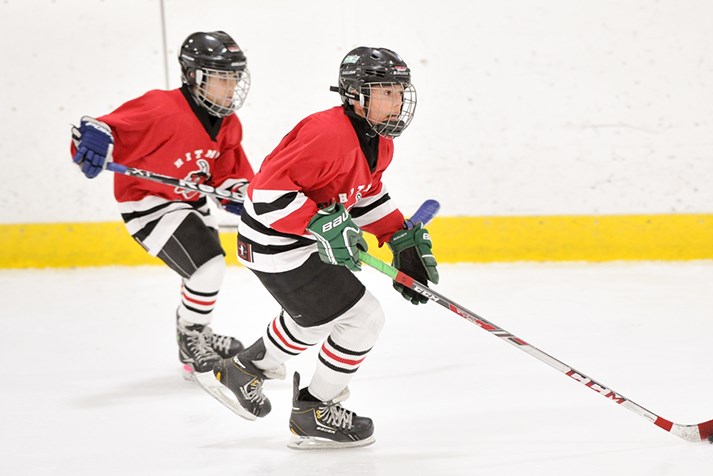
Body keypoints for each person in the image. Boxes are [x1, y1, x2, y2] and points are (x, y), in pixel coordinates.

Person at [197, 46, 439, 449]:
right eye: (385, 92)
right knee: (363, 319)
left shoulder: (380, 140)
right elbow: (264, 194)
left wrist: (398, 237)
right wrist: (317, 222)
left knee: (315, 319)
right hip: (276, 244)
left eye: (400, 91)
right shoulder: (327, 133)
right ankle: (314, 410)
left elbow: (363, 195)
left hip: (298, 241)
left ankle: (245, 369)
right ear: (355, 95)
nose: (396, 102)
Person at [70, 31, 255, 378]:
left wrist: (241, 197)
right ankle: (192, 338)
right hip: (148, 204)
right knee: (208, 267)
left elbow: (229, 174)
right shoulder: (161, 107)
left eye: (234, 78)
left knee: (202, 272)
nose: (230, 88)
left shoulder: (229, 123)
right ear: (193, 76)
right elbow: (99, 129)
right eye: (220, 78)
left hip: (190, 203)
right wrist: (94, 140)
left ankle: (196, 332)